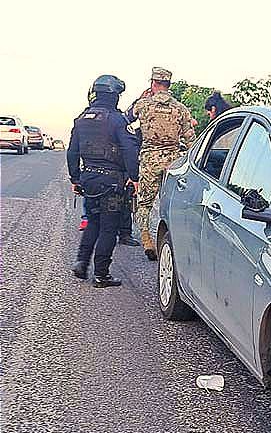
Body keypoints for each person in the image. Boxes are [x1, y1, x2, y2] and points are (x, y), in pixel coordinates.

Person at [68, 75, 139, 288]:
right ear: (114, 96)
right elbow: (129, 149)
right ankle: (101, 274)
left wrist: (75, 178)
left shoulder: (81, 118)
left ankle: (81, 262)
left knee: (93, 221)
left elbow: (72, 151)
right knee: (109, 228)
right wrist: (134, 177)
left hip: (88, 178)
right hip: (111, 182)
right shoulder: (117, 120)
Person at [132, 67, 195, 260]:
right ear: (169, 85)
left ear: (153, 83)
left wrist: (142, 97)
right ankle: (171, 241)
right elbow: (191, 139)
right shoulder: (181, 109)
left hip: (150, 159)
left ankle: (146, 240)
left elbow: (129, 116)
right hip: (173, 161)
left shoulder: (143, 105)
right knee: (170, 203)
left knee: (144, 203)